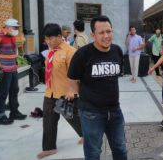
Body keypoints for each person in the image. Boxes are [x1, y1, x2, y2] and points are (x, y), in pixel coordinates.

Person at [67, 15, 127, 160]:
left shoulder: (117, 51)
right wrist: (84, 97)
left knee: (121, 149)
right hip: (91, 113)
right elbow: (72, 79)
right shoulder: (82, 54)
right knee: (93, 153)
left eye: (109, 31)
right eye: (101, 33)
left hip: (115, 111)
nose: (106, 36)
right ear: (93, 35)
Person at [37, 23, 83, 159]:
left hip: (66, 92)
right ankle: (49, 148)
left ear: (59, 36)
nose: (47, 42)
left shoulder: (70, 51)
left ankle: (87, 135)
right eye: (46, 39)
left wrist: (71, 90)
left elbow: (75, 73)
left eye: (50, 39)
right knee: (48, 120)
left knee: (73, 117)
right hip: (50, 91)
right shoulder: (51, 51)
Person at [0, 18, 27, 125]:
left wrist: (16, 62)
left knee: (14, 91)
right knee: (3, 93)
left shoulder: (12, 36)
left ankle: (14, 112)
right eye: (15, 27)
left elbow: (13, 51)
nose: (17, 29)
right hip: (4, 70)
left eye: (17, 28)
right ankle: (0, 116)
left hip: (12, 68)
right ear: (7, 27)